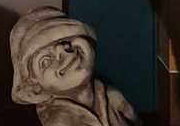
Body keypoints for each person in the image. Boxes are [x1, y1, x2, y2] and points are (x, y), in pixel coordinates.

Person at [10, 7, 138, 126]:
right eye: (46, 61)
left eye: (66, 41)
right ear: (36, 88)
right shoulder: (60, 121)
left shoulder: (110, 95)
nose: (63, 50)